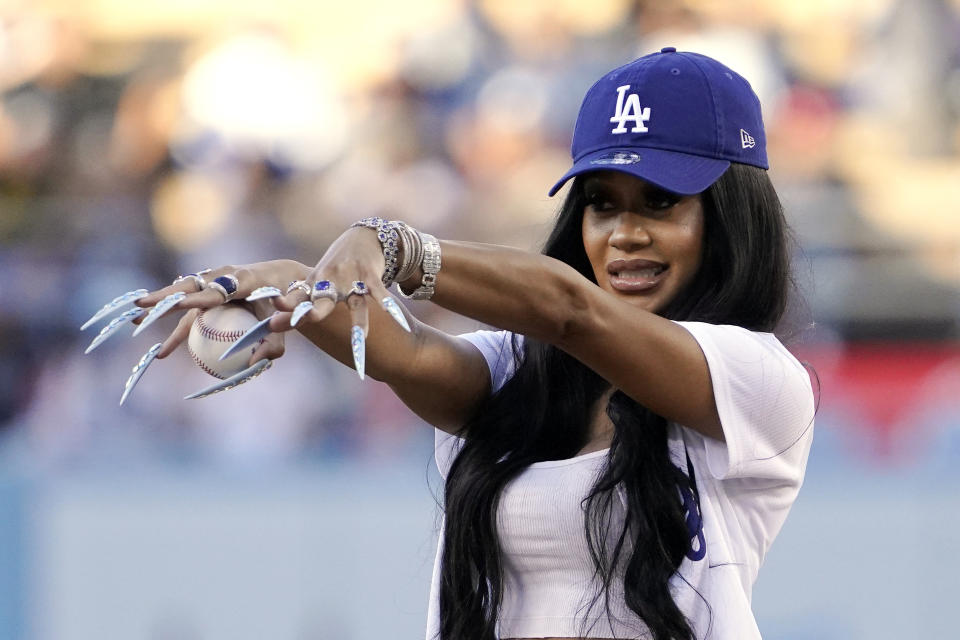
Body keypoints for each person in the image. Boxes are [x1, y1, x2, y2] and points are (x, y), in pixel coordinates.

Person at [102, 48, 815, 640]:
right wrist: (295, 288)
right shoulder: (529, 368)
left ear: (727, 217)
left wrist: (397, 246)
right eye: (602, 203)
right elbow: (404, 354)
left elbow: (572, 310)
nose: (623, 234)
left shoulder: (759, 380)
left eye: (661, 202)